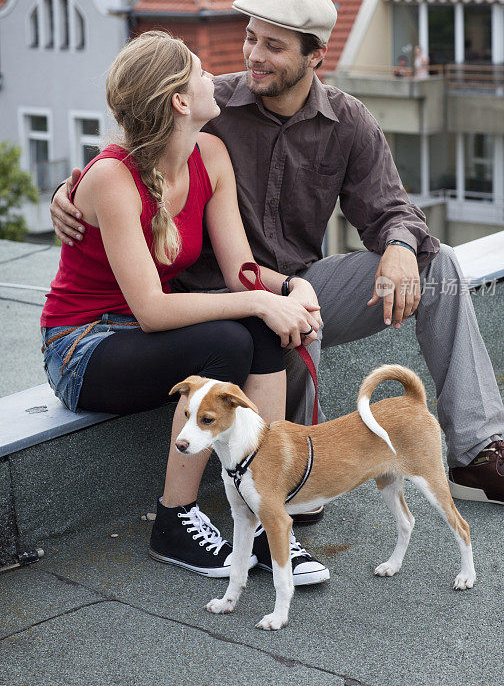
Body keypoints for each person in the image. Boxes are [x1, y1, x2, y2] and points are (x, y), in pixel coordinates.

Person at [51, 0, 504, 516]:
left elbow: (392, 209)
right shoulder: (213, 108)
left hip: (287, 278)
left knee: (438, 266)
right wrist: (66, 193)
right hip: (205, 300)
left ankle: (476, 453)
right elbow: (132, 150)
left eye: (274, 47)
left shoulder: (348, 122)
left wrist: (399, 244)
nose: (255, 57)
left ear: (316, 55)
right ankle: (295, 473)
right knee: (278, 320)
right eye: (251, 39)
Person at [42, 29, 331, 585]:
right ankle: (174, 521)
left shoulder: (210, 156)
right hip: (84, 345)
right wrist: (255, 302)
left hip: (143, 336)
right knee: (226, 339)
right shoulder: (111, 177)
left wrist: (292, 288)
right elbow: (150, 309)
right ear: (179, 100)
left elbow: (239, 272)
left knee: (260, 326)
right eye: (200, 73)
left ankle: (264, 506)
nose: (211, 78)